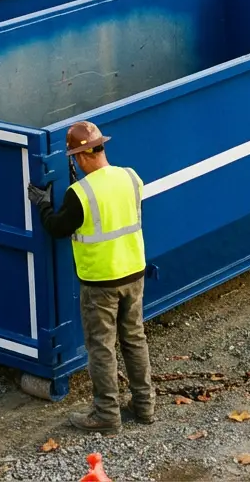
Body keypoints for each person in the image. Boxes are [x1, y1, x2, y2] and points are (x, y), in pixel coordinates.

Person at [28, 121, 153, 433]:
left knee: (101, 347)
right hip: (134, 272)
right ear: (101, 147)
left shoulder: (79, 193)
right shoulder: (130, 176)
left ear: (79, 157)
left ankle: (107, 415)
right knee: (134, 339)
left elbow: (58, 228)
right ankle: (144, 406)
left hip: (100, 282)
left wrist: (43, 206)